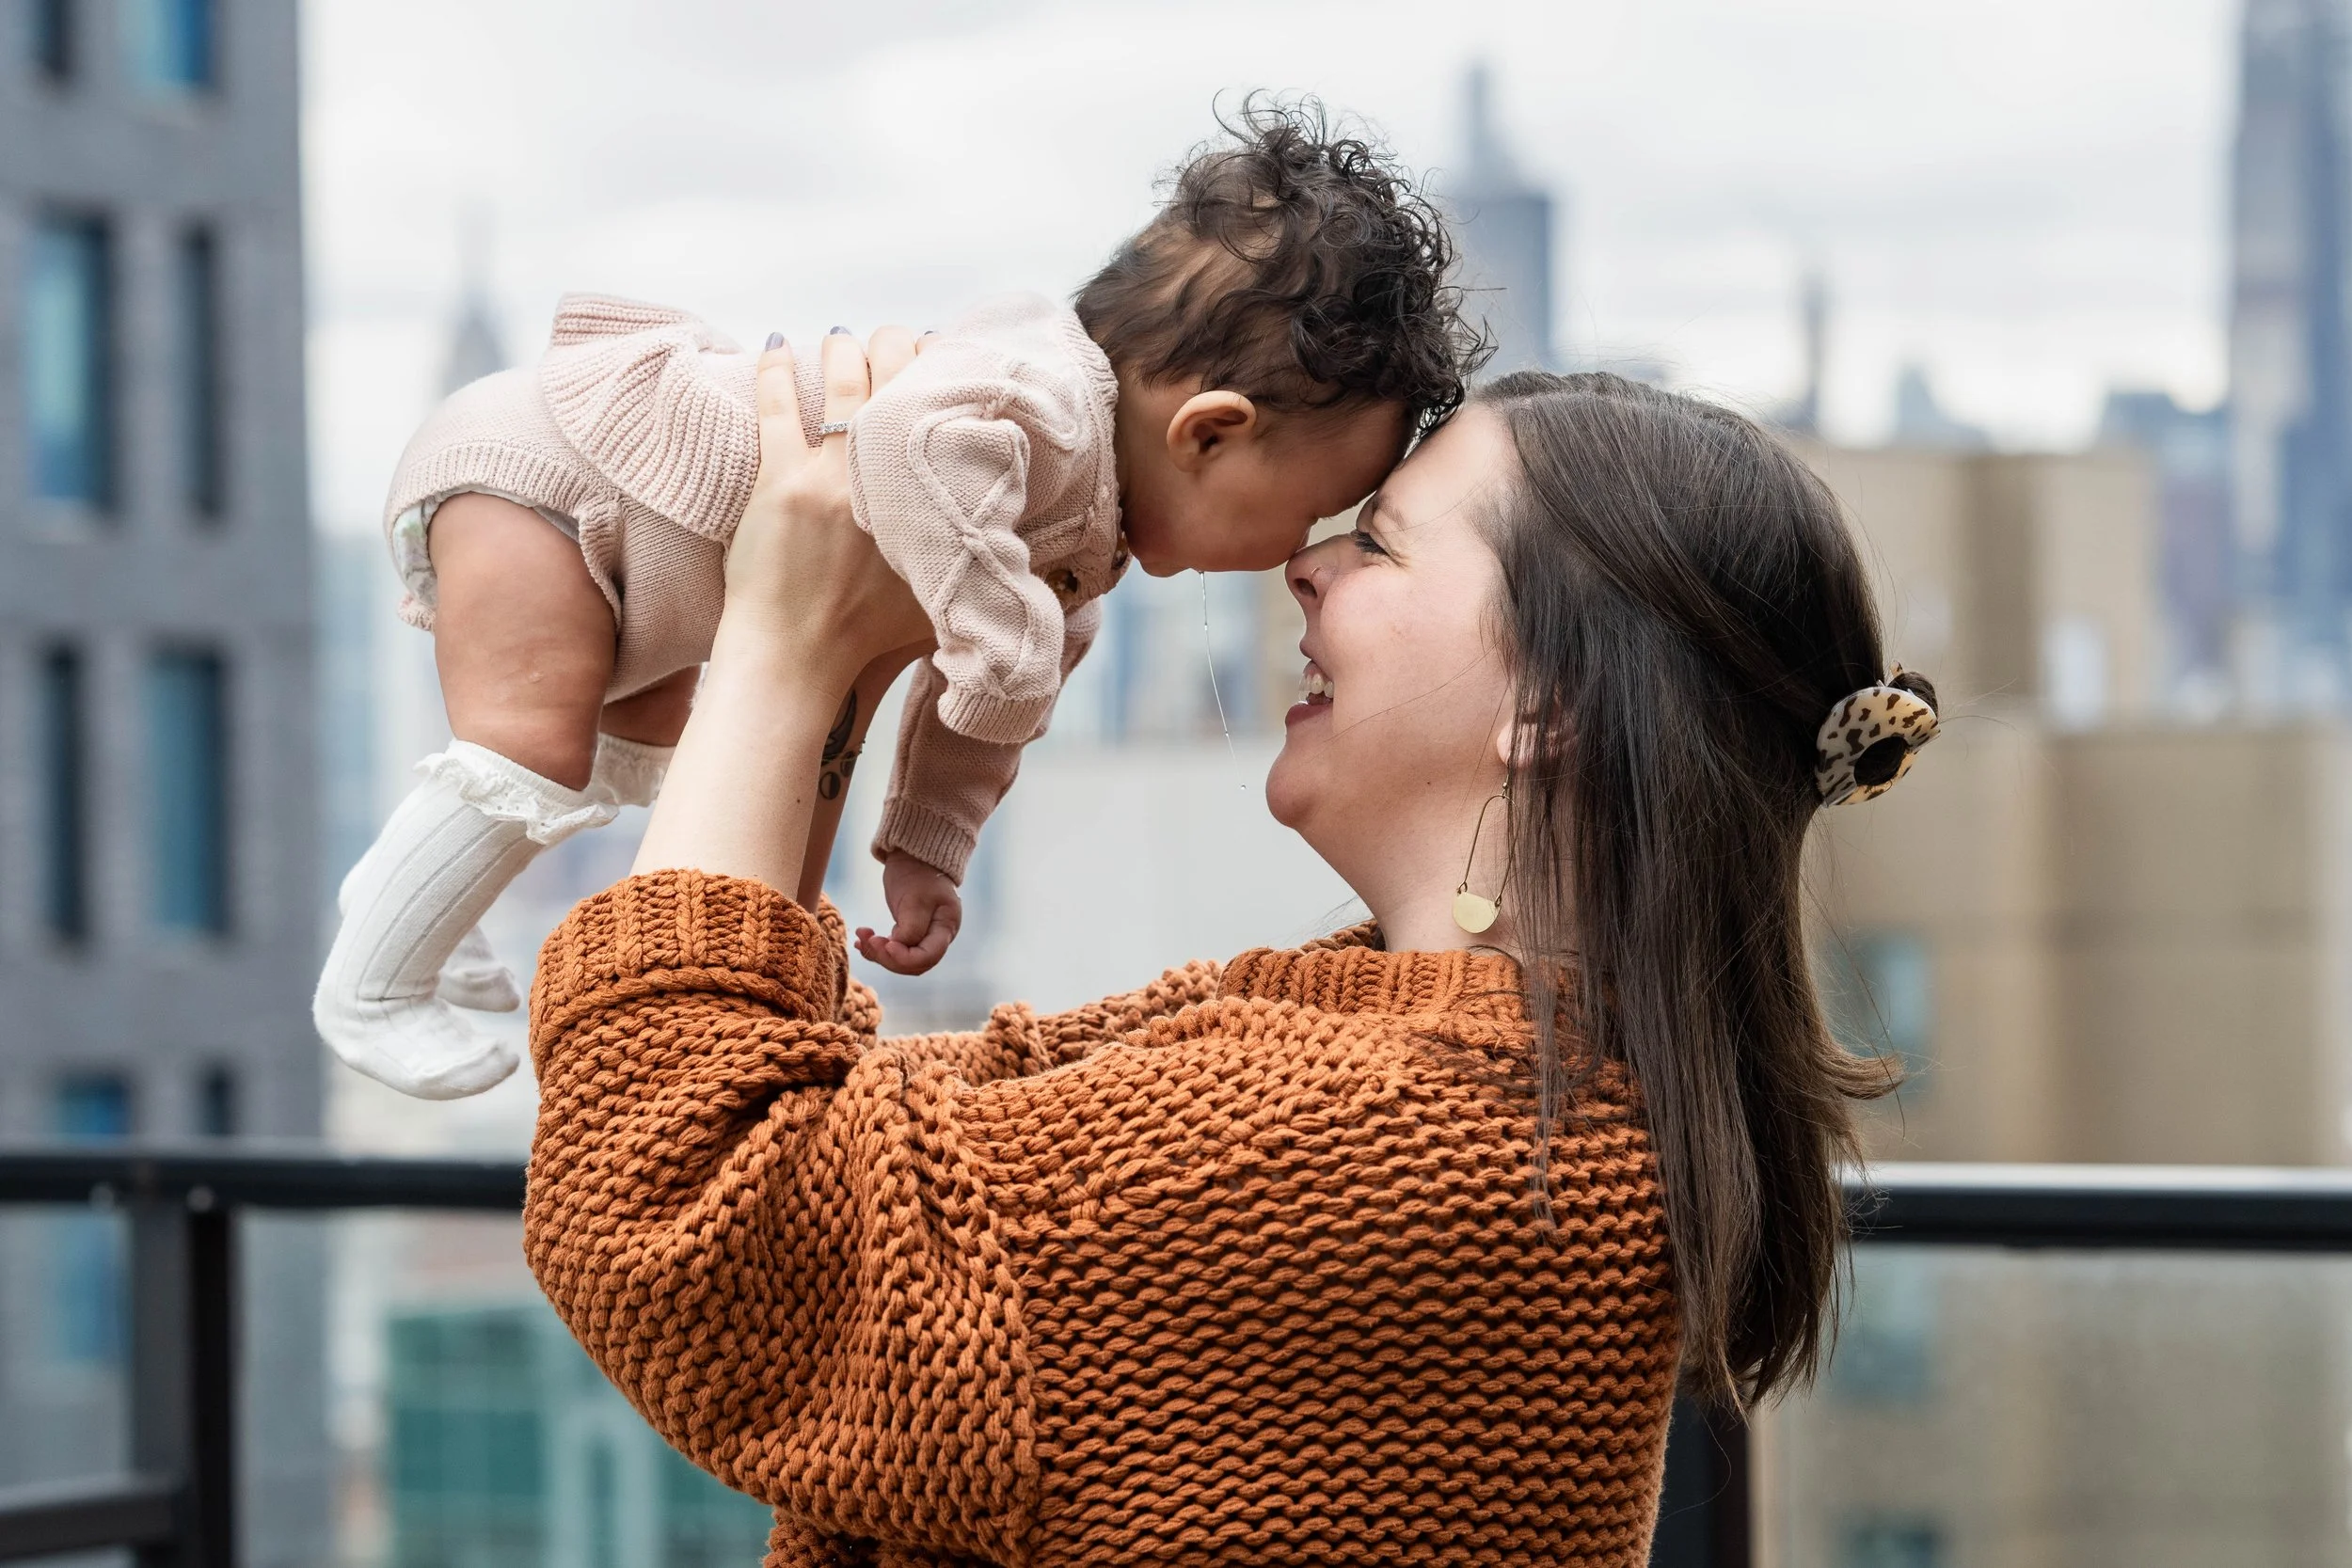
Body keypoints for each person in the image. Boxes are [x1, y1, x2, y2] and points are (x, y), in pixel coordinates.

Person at [521, 326, 1933, 1566]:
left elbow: (686, 1214)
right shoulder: (1467, 1083)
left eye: (1378, 541)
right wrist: (843, 667)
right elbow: (830, 1130)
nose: (1308, 563)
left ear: (1551, 701)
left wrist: (778, 635)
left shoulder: (1391, 1142)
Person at [316, 102, 1482, 1101]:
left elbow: (982, 714)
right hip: (560, 482)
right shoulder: (1038, 394)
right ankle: (370, 986)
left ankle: (415, 902)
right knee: (528, 742)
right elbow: (913, 438)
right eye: (1313, 507)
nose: (1298, 553)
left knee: (633, 758)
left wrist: (928, 844)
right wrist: (995, 635)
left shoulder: (1081, 546)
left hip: (633, 560)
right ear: (1210, 433)